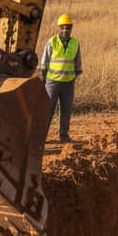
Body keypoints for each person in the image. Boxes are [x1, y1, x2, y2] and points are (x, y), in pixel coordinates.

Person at [38, 13, 81, 143]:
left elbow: (77, 63)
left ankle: (64, 135)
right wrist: (43, 79)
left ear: (71, 28)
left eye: (67, 28)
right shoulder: (52, 42)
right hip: (52, 82)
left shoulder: (75, 43)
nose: (65, 30)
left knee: (66, 111)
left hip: (68, 83)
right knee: (47, 111)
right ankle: (41, 137)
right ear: (59, 28)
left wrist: (74, 77)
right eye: (62, 27)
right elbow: (44, 62)